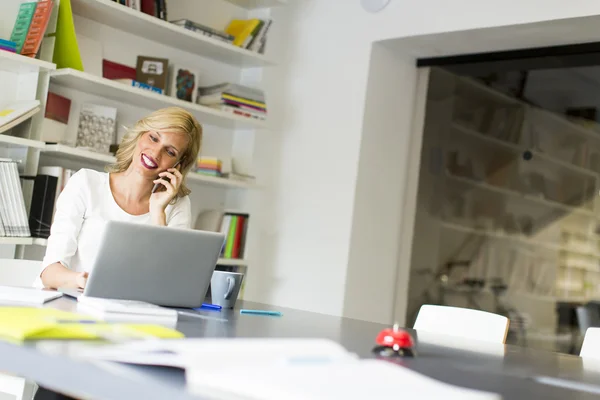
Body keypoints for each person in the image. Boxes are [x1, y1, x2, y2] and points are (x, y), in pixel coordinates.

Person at [37, 107, 202, 290]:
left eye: (170, 152)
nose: (155, 153)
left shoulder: (176, 205)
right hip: (72, 303)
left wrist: (157, 213)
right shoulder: (86, 183)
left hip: (133, 311)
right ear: (140, 134)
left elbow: (167, 282)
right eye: (153, 138)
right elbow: (49, 273)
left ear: (178, 164)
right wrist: (83, 281)